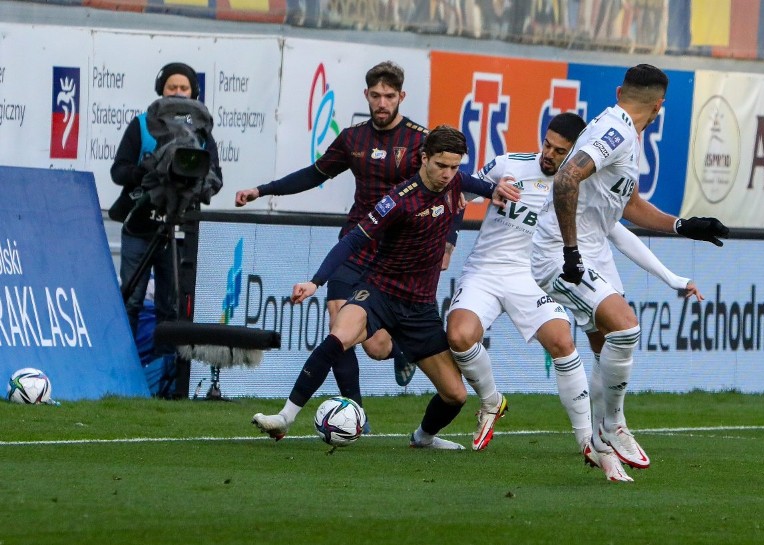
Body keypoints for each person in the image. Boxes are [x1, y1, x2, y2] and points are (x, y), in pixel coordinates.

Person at [448, 113, 704, 456]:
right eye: (546, 144)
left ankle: (588, 441)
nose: (548, 154)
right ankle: (492, 401)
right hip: (486, 271)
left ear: (575, 152)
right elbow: (457, 187)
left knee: (563, 342)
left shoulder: (579, 189)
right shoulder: (508, 164)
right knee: (459, 336)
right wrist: (486, 193)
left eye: (558, 150)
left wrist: (673, 277)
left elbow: (620, 234)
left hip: (535, 276)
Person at [251, 125, 520, 449]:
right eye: (441, 166)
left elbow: (485, 187)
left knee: (456, 395)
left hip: (420, 307)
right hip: (379, 292)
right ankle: (285, 418)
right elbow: (352, 241)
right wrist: (315, 281)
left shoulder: (457, 182)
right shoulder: (397, 200)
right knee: (339, 336)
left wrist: (499, 190)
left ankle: (423, 439)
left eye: (454, 166)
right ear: (424, 158)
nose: (449, 174)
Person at [530, 64, 729, 481]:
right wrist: (570, 251)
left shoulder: (625, 135)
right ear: (660, 106)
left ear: (622, 90)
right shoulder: (615, 132)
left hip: (587, 250)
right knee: (627, 328)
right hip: (561, 252)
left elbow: (630, 206)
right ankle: (613, 427)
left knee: (606, 349)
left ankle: (603, 444)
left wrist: (683, 226)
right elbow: (566, 179)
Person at [234, 61, 442, 404]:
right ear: (366, 95)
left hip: (397, 251)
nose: (382, 103)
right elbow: (314, 174)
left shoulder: (421, 141)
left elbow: (447, 190)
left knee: (377, 348)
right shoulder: (353, 138)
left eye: (389, 96)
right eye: (375, 95)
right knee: (338, 325)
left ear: (401, 96)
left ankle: (401, 349)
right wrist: (263, 190)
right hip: (357, 242)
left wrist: (446, 241)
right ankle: (354, 412)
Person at [111, 62, 223, 343]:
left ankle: (166, 376)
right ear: (161, 90)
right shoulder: (141, 124)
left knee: (170, 307)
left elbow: (216, 179)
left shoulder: (202, 132)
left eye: (184, 88)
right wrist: (148, 173)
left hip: (181, 229)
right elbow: (119, 171)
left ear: (193, 92)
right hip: (140, 225)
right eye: (172, 87)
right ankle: (125, 367)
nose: (178, 92)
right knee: (131, 302)